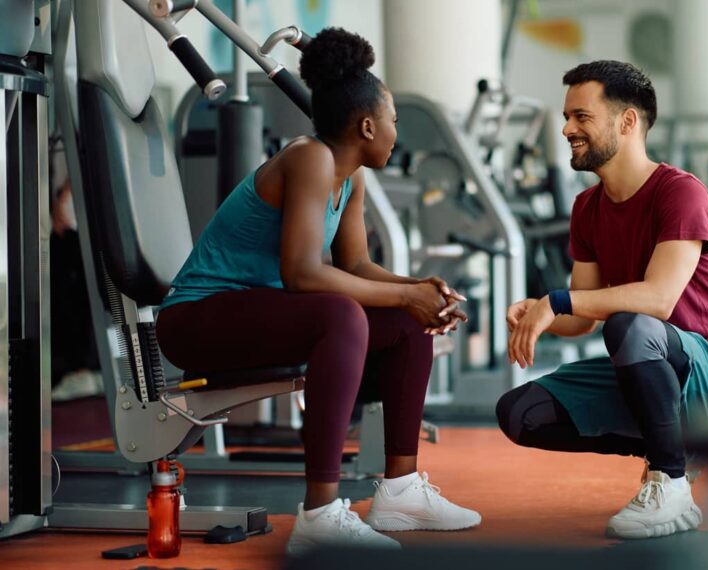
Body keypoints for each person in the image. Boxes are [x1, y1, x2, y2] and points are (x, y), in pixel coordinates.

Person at [156, 28, 481, 553]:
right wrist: (404, 294)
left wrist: (418, 291)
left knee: (404, 320)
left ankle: (399, 491)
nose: (398, 132)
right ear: (369, 124)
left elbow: (354, 263)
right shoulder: (309, 157)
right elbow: (302, 275)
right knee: (343, 316)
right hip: (196, 319)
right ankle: (320, 515)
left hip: (255, 312)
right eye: (394, 120)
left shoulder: (350, 176)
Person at [495, 60, 708, 539]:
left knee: (630, 325)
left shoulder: (680, 192)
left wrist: (558, 300)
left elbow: (656, 300)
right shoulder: (587, 207)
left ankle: (670, 481)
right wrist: (541, 310)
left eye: (581, 116)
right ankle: (675, 444)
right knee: (519, 413)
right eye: (567, 116)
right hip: (649, 360)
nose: (567, 128)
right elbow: (580, 317)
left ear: (627, 121)